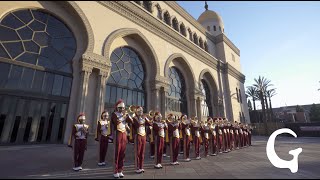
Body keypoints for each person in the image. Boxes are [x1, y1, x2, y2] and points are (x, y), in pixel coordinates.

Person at [111, 99, 133, 178]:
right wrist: (123, 116)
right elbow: (116, 122)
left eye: (123, 108)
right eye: (120, 108)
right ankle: (115, 170)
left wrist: (128, 116)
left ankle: (120, 170)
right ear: (117, 108)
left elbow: (131, 122)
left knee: (123, 153)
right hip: (118, 133)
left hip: (124, 133)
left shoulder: (124, 114)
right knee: (117, 152)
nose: (122, 109)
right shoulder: (114, 114)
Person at [131, 106, 152, 174]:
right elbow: (137, 125)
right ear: (136, 111)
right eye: (139, 111)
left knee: (142, 152)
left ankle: (141, 166)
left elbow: (149, 124)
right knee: (138, 152)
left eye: (141, 111)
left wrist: (148, 118)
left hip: (143, 135)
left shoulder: (143, 118)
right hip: (138, 135)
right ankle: (137, 167)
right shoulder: (135, 118)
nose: (140, 112)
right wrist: (142, 118)